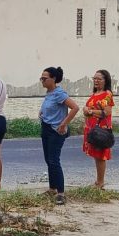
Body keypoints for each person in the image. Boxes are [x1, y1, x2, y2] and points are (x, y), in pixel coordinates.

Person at [39, 66, 79, 205]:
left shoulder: (59, 93)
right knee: (48, 160)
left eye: (45, 78)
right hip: (46, 128)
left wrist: (64, 124)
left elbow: (75, 107)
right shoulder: (49, 93)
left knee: (54, 161)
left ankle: (61, 193)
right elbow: (50, 107)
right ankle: (52, 188)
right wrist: (42, 112)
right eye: (41, 78)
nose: (42, 81)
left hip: (56, 131)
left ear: (54, 79)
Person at [82, 69, 115, 189]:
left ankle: (100, 182)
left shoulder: (107, 94)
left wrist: (89, 111)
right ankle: (98, 181)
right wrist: (86, 111)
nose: (96, 81)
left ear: (105, 80)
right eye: (94, 78)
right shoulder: (95, 94)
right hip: (92, 128)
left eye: (99, 79)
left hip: (101, 129)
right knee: (96, 155)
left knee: (100, 156)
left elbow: (106, 112)